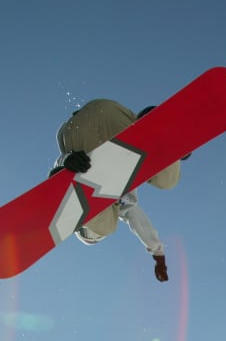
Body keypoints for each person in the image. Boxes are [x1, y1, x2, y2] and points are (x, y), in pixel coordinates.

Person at [50, 99, 183, 283]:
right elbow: (137, 218)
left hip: (88, 121)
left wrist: (65, 163)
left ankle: (159, 132)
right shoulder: (123, 199)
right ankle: (162, 134)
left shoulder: (119, 197)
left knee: (166, 182)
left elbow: (137, 220)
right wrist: (158, 253)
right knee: (167, 181)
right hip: (100, 111)